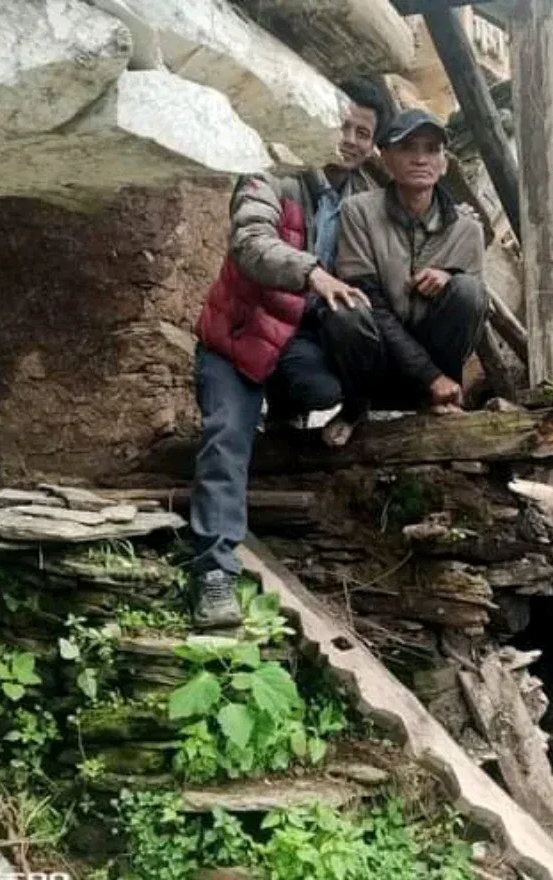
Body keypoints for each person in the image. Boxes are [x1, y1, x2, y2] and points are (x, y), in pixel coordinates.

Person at [187, 78, 390, 628]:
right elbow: (251, 243)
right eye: (343, 126)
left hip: (292, 343)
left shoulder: (363, 203)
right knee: (226, 438)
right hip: (236, 338)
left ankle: (286, 412)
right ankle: (214, 572)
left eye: (363, 133)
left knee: (326, 387)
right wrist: (313, 273)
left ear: (373, 145)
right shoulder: (271, 170)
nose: (350, 140)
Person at [272, 109, 487, 447]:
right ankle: (356, 407)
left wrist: (450, 277)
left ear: (444, 163)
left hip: (431, 350)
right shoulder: (359, 211)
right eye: (408, 148)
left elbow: (473, 316)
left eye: (432, 149)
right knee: (346, 310)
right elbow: (369, 300)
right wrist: (430, 375)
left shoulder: (467, 229)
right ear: (386, 157)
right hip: (375, 355)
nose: (420, 159)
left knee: (468, 291)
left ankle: (442, 400)